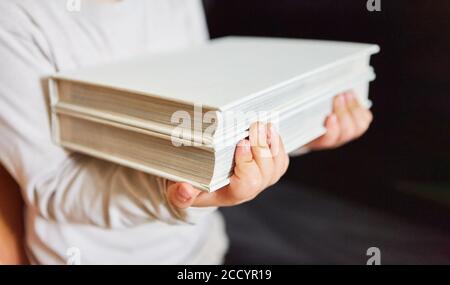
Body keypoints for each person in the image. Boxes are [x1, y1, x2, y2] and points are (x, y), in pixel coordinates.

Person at [0, 0, 371, 264]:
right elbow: (55, 184)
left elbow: (214, 114)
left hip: (202, 251)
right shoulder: (15, 18)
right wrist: (177, 193)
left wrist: (304, 127)